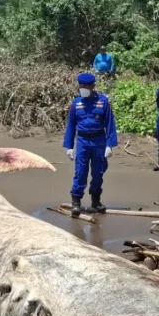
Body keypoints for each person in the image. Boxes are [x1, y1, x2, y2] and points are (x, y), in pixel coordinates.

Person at [63, 72, 118, 217]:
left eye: (86, 86)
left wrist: (109, 145)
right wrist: (69, 147)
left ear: (93, 86)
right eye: (81, 85)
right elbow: (71, 125)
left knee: (98, 172)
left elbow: (110, 123)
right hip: (82, 141)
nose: (83, 88)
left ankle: (96, 201)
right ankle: (76, 202)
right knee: (80, 172)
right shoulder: (76, 103)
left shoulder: (103, 101)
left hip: (99, 140)